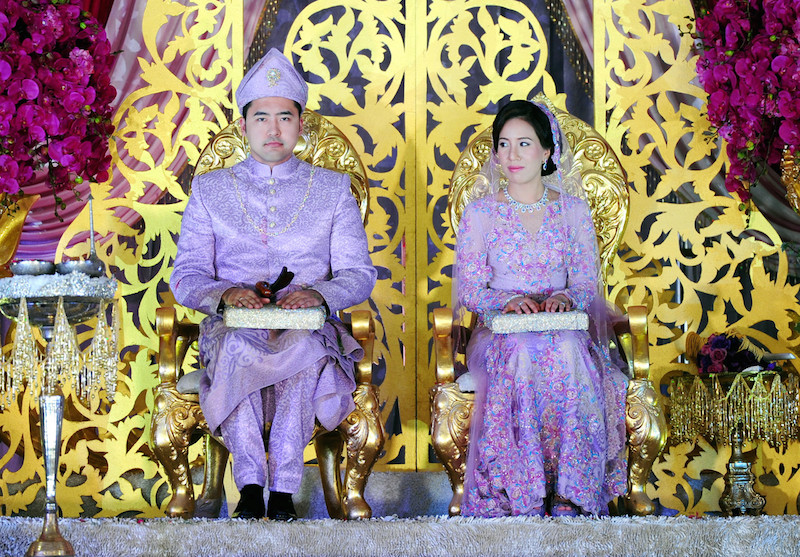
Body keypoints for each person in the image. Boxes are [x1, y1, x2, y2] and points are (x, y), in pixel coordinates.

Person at [170, 49, 377, 520]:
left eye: (285, 117)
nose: (274, 129)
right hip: (233, 330)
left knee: (303, 347)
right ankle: (250, 485)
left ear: (301, 124)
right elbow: (186, 276)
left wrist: (319, 295)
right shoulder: (209, 189)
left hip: (306, 328)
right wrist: (225, 294)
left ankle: (283, 489)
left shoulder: (332, 188)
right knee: (240, 346)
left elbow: (359, 273)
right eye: (261, 118)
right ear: (243, 126)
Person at [454, 100, 627, 517]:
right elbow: (472, 289)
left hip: (564, 326)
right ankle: (522, 492)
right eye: (504, 144)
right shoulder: (480, 213)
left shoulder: (572, 210)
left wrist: (566, 297)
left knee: (568, 351)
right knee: (522, 355)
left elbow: (586, 280)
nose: (512, 155)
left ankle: (572, 490)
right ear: (494, 153)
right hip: (502, 333)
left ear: (547, 152)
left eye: (524, 144)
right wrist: (507, 300)